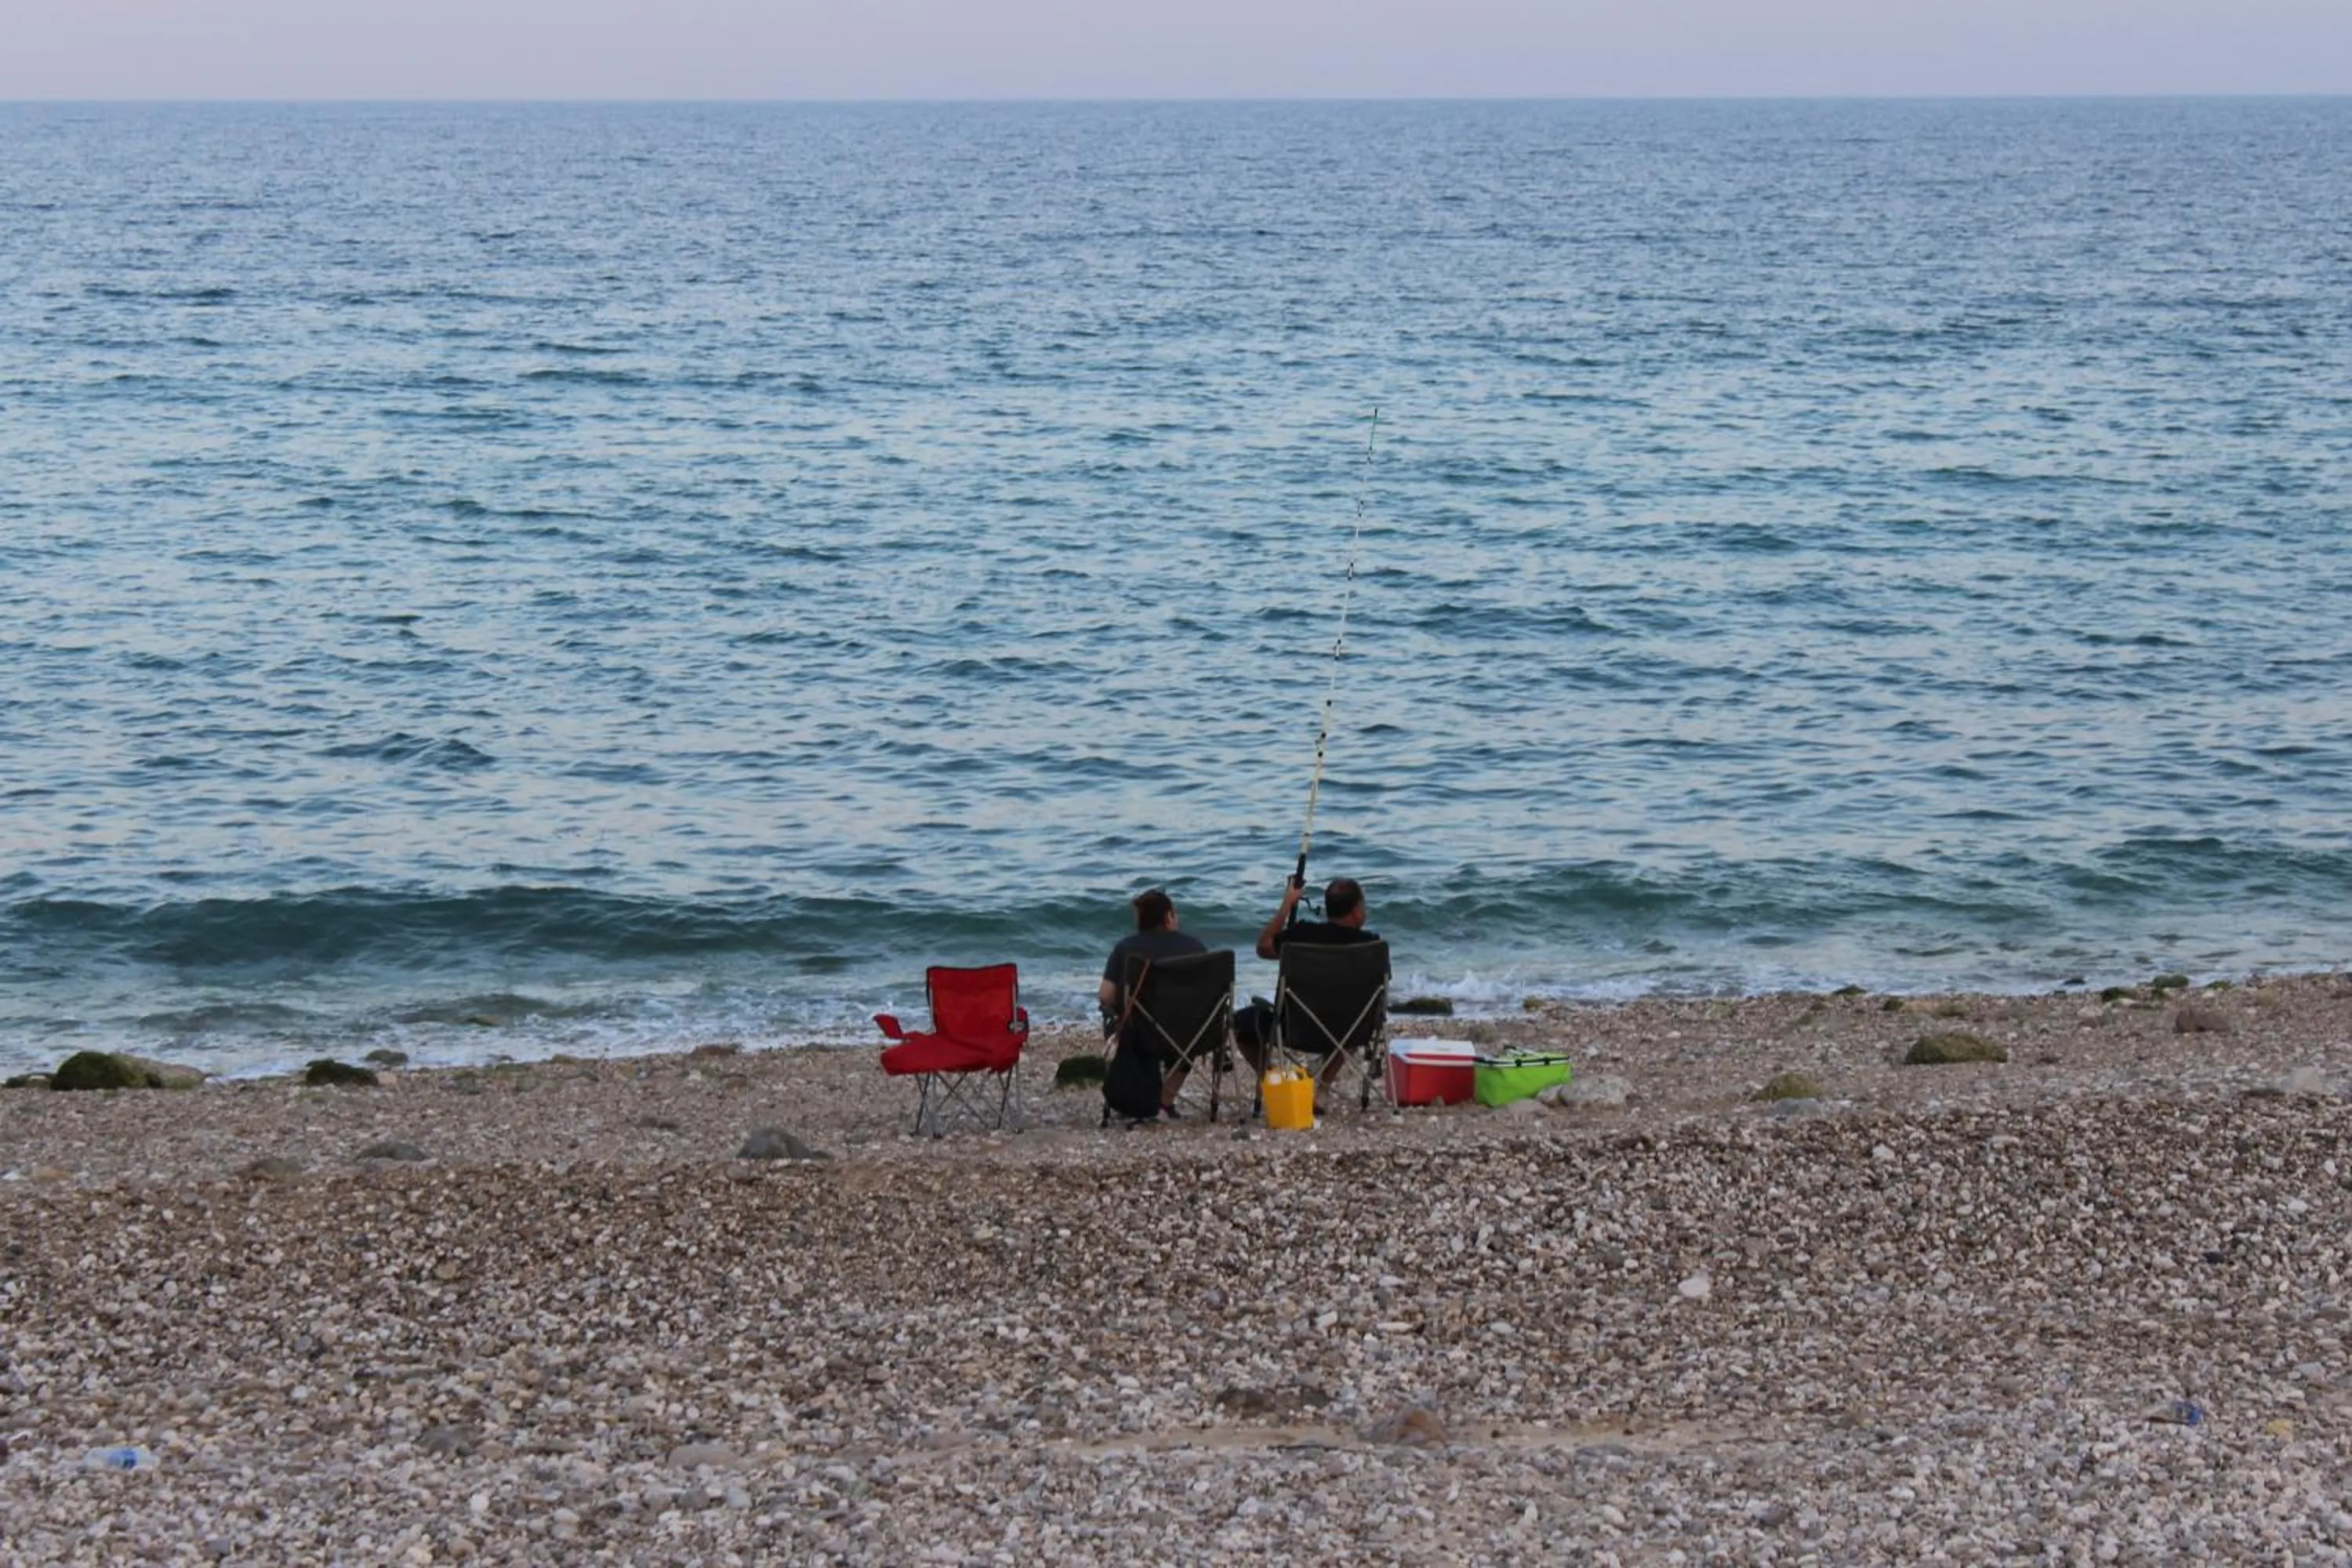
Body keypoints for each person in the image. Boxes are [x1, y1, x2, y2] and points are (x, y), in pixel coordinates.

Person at [1236, 875, 1385, 1102]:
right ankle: (1323, 1089)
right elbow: (1378, 993)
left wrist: (1287, 905)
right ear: (1356, 911)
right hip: (1351, 1031)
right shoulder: (1372, 946)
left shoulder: (1301, 935)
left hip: (1295, 1028)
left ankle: (1274, 1080)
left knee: (1240, 1024)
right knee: (1357, 1014)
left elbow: (1263, 947)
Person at [1099, 887, 1207, 1116]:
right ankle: (1164, 1100)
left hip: (1140, 1034)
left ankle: (1146, 1099)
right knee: (1189, 1041)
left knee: (1133, 1029)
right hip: (1189, 1035)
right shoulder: (1195, 948)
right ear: (1168, 917)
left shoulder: (1126, 948)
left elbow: (1105, 996)